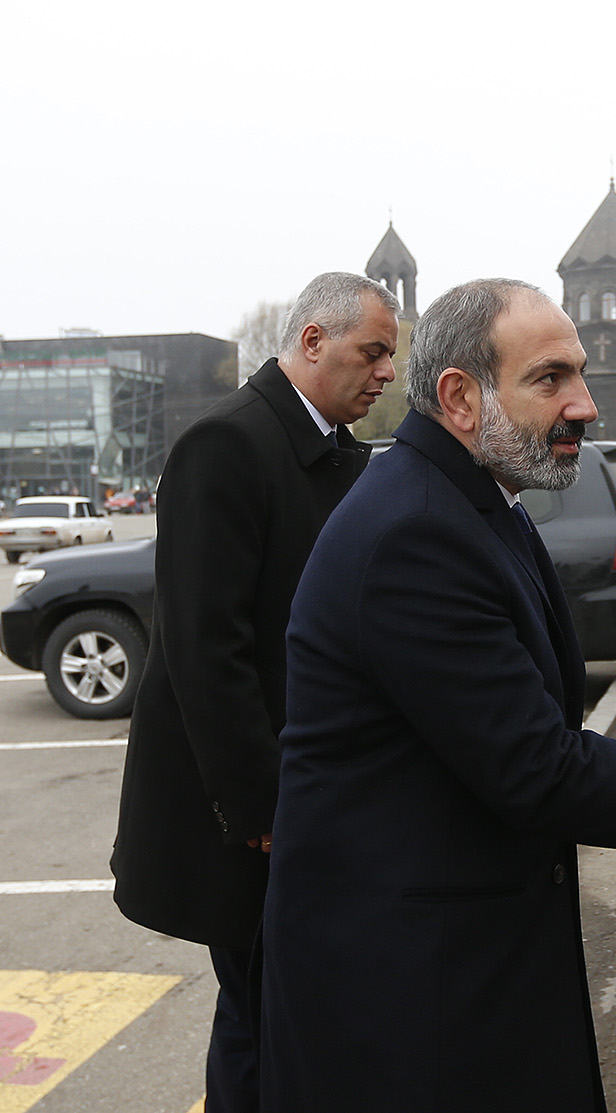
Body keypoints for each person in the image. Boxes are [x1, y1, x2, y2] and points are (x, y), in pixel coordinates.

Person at [258, 278, 616, 1113]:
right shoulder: (415, 532)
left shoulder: (476, 500)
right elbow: (538, 767)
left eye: (580, 374)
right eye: (551, 379)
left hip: (462, 966)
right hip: (411, 998)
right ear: (460, 398)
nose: (585, 405)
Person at [109, 272, 399, 1112]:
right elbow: (206, 648)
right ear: (312, 341)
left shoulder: (334, 449)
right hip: (254, 815)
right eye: (372, 352)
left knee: (289, 1010)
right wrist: (262, 806)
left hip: (312, 793)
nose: (387, 371)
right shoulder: (227, 444)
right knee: (261, 1014)